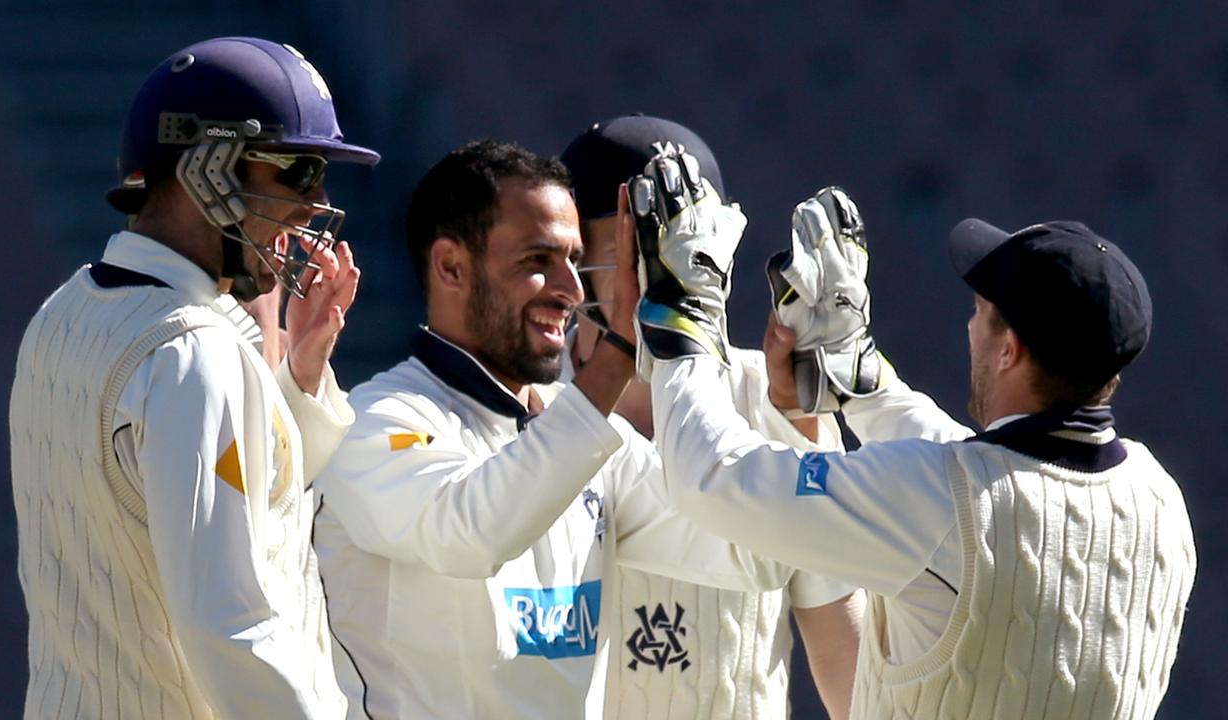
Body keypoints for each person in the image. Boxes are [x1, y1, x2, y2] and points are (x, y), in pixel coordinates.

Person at [622, 148, 1196, 719]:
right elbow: (990, 476)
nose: (971, 325)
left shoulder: (941, 502)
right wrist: (859, 381)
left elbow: (714, 478)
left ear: (1009, 350)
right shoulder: (1160, 497)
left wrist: (683, 312)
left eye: (980, 311)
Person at [311, 139, 802, 720]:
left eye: (574, 260)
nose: (571, 290)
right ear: (451, 267)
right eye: (537, 262)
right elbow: (472, 533)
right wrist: (617, 355)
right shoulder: (374, 421)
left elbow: (758, 557)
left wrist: (755, 387)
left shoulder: (581, 431)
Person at [9, 36, 378, 719]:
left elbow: (215, 500)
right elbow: (231, 624)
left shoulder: (59, 315)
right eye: (298, 171)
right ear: (209, 170)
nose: (316, 201)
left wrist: (299, 375)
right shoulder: (193, 354)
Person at [559, 115, 860, 719]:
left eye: (677, 242)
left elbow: (851, 673)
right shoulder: (530, 414)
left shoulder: (773, 400)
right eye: (637, 247)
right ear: (573, 258)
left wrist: (800, 426)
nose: (657, 273)